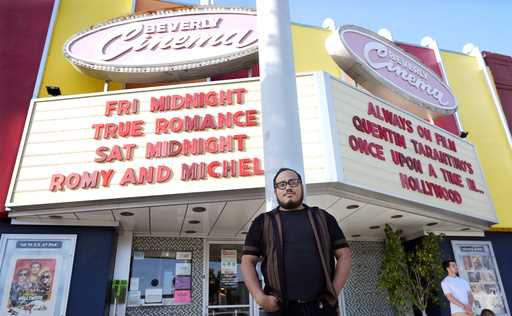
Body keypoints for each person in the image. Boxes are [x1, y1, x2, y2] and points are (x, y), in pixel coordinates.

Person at [241, 168, 352, 316]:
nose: (288, 187)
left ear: (301, 186)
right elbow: (247, 261)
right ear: (275, 191)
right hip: (280, 309)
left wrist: (333, 294)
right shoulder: (262, 222)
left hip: (322, 307)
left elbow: (344, 255)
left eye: (293, 182)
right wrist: (260, 298)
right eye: (282, 184)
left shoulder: (324, 218)